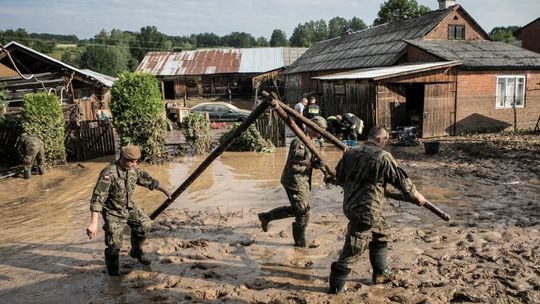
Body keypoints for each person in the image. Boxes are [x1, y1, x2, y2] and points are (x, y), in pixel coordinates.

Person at [327, 126, 426, 294]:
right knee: (354, 247)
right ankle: (336, 287)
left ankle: (380, 272)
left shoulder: (350, 153)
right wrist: (417, 196)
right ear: (380, 139)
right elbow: (402, 181)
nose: (386, 144)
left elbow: (339, 177)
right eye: (386, 140)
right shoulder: (382, 156)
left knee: (381, 233)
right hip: (366, 211)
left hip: (351, 206)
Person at [86, 145, 171, 276]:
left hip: (129, 206)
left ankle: (136, 251)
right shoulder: (109, 173)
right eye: (131, 161)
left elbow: (148, 181)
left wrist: (164, 190)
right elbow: (97, 198)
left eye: (136, 161)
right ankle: (114, 272)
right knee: (114, 245)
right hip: (113, 212)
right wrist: (93, 223)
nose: (133, 164)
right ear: (122, 158)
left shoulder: (134, 169)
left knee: (145, 224)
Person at [257, 116, 328, 247]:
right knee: (304, 213)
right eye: (321, 129)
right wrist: (312, 165)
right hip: (294, 182)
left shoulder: (311, 141)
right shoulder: (299, 142)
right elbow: (293, 166)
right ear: (313, 127)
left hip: (302, 181)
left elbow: (307, 162)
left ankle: (266, 217)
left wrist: (318, 164)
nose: (322, 132)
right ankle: (300, 243)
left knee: (298, 210)